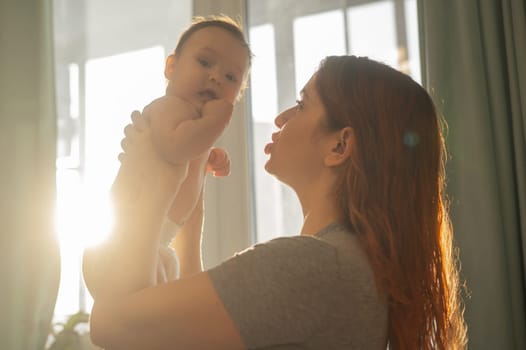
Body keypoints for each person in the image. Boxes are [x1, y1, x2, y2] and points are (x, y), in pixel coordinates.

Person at [83, 55, 467, 349]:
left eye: (301, 105)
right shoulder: (345, 266)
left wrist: (155, 174)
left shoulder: (313, 266)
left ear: (340, 145)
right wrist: (190, 194)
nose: (281, 117)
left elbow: (112, 324)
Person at [125, 15, 252, 279]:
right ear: (171, 67)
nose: (216, 76)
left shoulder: (192, 127)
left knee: (162, 308)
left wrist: (207, 156)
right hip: (124, 240)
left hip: (156, 242)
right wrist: (216, 122)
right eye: (204, 62)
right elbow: (174, 148)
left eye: (230, 77)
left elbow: (184, 155)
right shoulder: (169, 107)